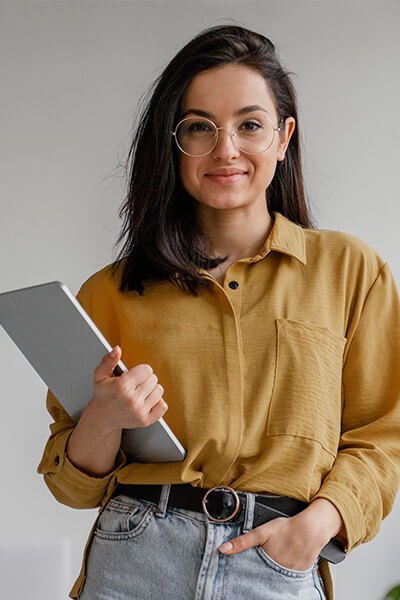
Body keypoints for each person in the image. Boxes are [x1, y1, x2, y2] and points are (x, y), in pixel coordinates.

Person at [37, 24, 400, 600]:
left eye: (249, 125)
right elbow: (73, 486)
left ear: (284, 138)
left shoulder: (352, 272)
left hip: (276, 563)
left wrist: (319, 523)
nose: (225, 149)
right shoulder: (110, 293)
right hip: (135, 557)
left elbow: (384, 436)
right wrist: (104, 419)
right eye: (200, 128)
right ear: (173, 144)